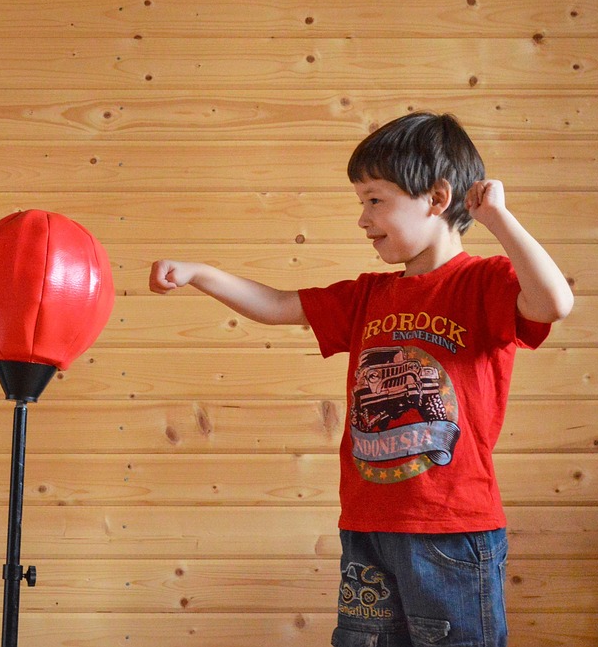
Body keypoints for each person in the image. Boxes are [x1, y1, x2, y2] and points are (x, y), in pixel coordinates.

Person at [149, 112, 573, 646]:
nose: (363, 218)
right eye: (361, 202)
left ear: (438, 198)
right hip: (369, 525)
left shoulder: (484, 282)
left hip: (451, 529)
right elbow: (279, 304)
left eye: (376, 200)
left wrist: (499, 220)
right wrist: (199, 273)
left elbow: (554, 302)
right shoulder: (370, 295)